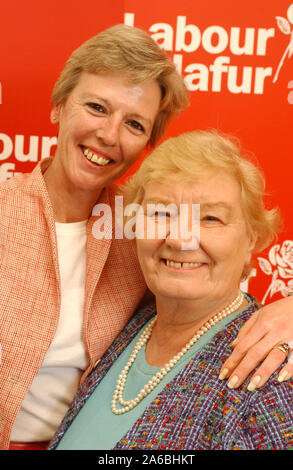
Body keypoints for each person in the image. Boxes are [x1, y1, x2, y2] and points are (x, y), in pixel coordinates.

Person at [0, 24, 188, 450]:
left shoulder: (143, 229)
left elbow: (216, 296)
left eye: (135, 124)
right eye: (97, 107)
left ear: (147, 144)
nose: (109, 135)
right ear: (59, 106)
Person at [49, 131, 293, 450]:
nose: (180, 239)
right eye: (161, 213)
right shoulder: (128, 325)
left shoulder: (272, 377)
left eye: (210, 218)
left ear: (251, 240)